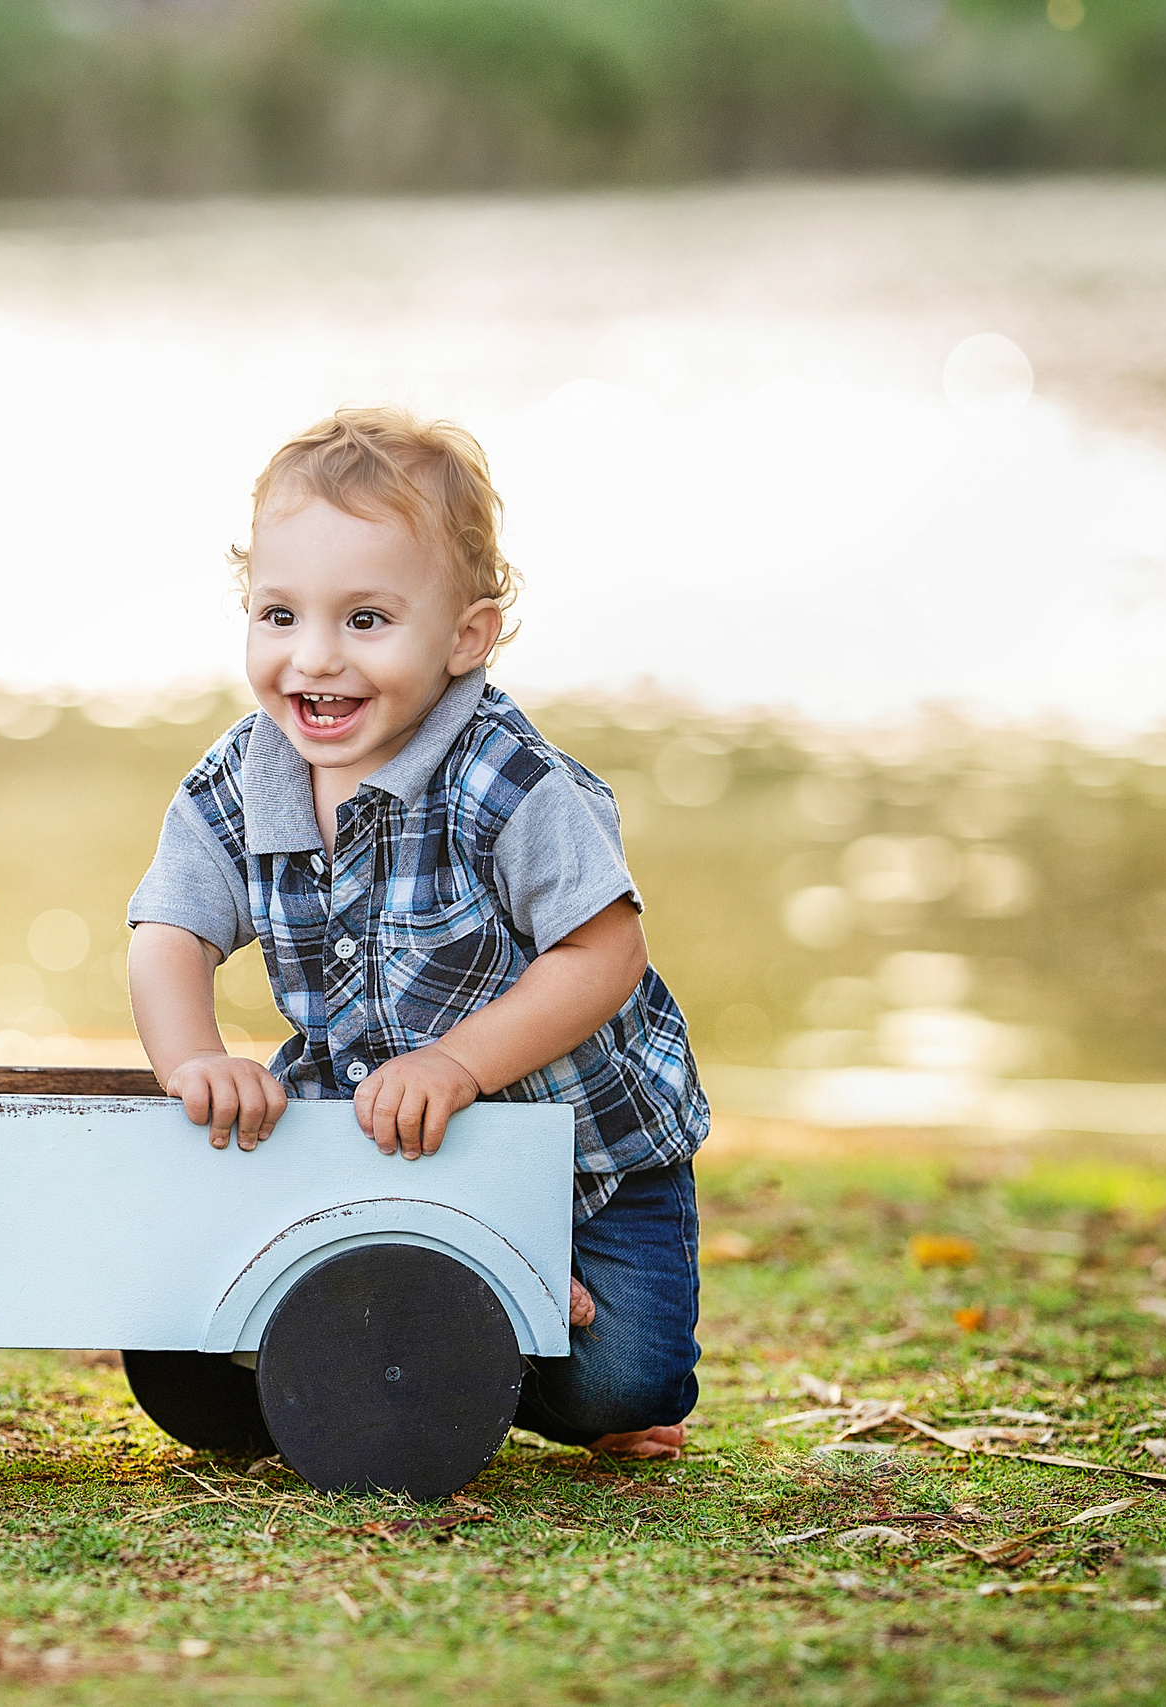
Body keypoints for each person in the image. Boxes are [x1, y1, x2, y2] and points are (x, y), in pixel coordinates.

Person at [125, 405, 710, 1461]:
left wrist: (457, 1061)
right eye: (278, 614)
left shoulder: (505, 777)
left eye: (365, 620)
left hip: (586, 1163)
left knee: (624, 1378)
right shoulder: (240, 775)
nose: (313, 659)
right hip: (367, 1152)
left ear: (464, 638)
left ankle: (490, 1341)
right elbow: (169, 926)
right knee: (187, 1367)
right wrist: (195, 1056)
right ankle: (400, 1330)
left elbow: (604, 952)